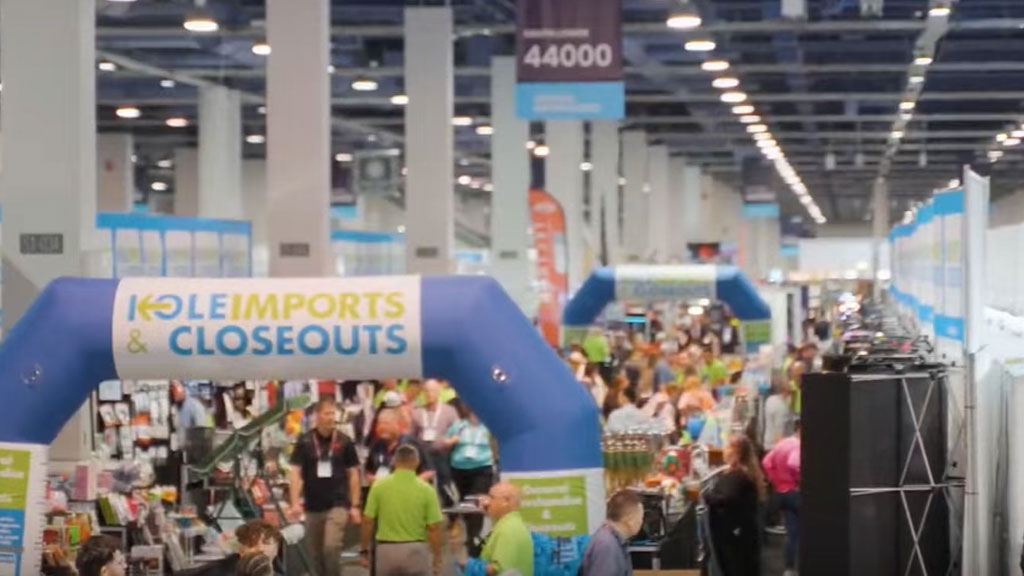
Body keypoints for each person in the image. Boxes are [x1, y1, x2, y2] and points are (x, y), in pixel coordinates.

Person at [288, 399, 362, 576]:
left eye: (333, 413)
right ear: (317, 416)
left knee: (331, 547)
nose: (331, 417)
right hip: (312, 506)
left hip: (337, 504)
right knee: (315, 554)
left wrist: (355, 505)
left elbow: (353, 474)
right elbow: (296, 473)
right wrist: (294, 502)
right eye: (327, 413)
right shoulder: (305, 441)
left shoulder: (345, 442)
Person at [361, 445, 444, 576]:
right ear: (417, 463)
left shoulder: (378, 486)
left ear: (394, 462)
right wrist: (437, 557)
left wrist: (364, 549)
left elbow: (368, 520)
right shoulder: (427, 490)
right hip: (416, 552)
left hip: (386, 551)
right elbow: (433, 527)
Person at [703, 435, 765, 576]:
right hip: (743, 533)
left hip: (734, 535)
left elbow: (727, 498)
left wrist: (708, 497)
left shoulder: (737, 476)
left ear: (735, 452)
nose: (724, 451)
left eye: (727, 448)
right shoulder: (745, 473)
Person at [446, 405, 496, 555]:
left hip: (482, 468)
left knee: (475, 503)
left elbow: (496, 445)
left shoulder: (489, 426)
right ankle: (469, 534)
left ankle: (474, 540)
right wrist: (451, 442)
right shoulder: (458, 426)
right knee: (464, 504)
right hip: (459, 469)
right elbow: (444, 443)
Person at [466, 483, 534, 576]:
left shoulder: (508, 529)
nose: (486, 502)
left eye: (491, 497)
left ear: (506, 501)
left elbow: (498, 570)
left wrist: (468, 565)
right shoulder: (510, 524)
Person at [763, 423, 801, 576]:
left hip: (781, 493)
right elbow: (794, 463)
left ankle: (789, 568)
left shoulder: (782, 443)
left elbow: (766, 462)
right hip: (795, 493)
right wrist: (798, 482)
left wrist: (776, 481)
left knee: (792, 532)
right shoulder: (798, 445)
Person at [581, 490, 645, 576]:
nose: (641, 522)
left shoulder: (610, 540)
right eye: (640, 517)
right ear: (629, 520)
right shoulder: (607, 545)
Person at [367, 408, 435, 483]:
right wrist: (375, 480)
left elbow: (429, 472)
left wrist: (410, 483)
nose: (383, 427)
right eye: (380, 424)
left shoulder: (412, 445)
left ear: (398, 425)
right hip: (384, 488)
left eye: (386, 424)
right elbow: (368, 472)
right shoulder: (376, 446)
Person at [762, 374, 795, 450]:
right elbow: (779, 435)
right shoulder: (781, 408)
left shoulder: (770, 400)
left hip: (768, 444)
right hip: (777, 448)